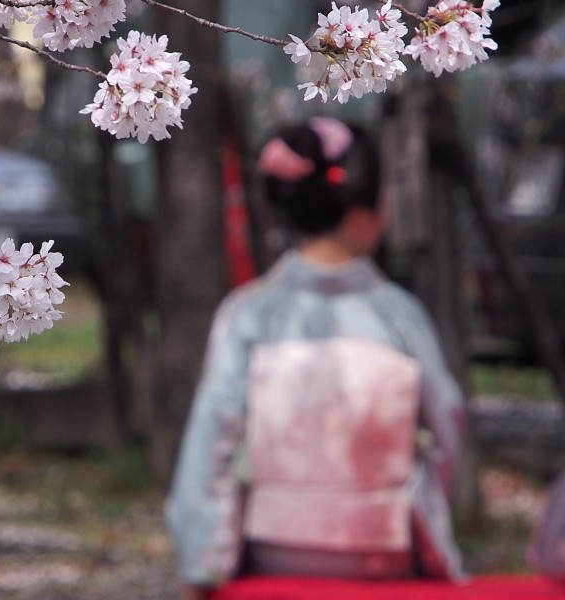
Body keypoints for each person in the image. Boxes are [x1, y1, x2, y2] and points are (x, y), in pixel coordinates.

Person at [164, 118, 467, 600]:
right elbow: (449, 428)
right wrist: (423, 519)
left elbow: (212, 438)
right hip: (381, 551)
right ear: (365, 210)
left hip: (273, 553)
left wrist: (205, 559)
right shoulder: (401, 317)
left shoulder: (250, 314)